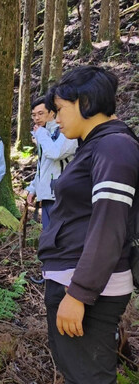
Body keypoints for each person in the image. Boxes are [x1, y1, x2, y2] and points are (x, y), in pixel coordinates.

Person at [39, 66, 139, 383]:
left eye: (60, 109)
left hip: (87, 288)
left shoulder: (113, 147)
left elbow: (110, 224)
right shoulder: (97, 145)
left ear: (84, 101)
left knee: (88, 376)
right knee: (79, 371)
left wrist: (80, 294)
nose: (56, 118)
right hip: (78, 280)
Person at [26, 97, 78, 229]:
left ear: (52, 112)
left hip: (62, 193)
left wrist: (41, 134)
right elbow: (42, 165)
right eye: (34, 115)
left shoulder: (65, 131)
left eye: (40, 113)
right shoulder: (45, 133)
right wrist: (33, 188)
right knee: (49, 233)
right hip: (48, 193)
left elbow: (55, 153)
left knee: (59, 234)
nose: (36, 118)